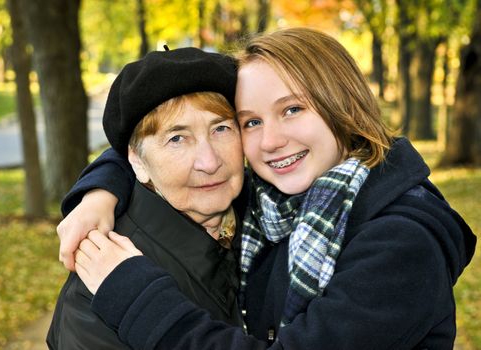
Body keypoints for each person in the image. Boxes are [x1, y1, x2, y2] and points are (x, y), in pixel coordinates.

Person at [56, 28, 476, 349]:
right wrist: (99, 192)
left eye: (292, 110)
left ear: (343, 107)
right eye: (251, 122)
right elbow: (142, 147)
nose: (270, 141)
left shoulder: (400, 244)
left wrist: (137, 297)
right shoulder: (277, 204)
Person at [46, 47, 247, 349]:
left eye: (220, 128)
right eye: (177, 138)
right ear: (136, 162)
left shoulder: (275, 219)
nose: (209, 161)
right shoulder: (101, 283)